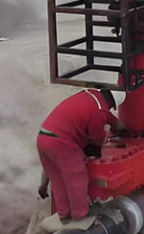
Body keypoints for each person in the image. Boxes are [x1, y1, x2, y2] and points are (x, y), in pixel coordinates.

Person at [36, 88, 122, 221]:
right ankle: (80, 215)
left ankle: (63, 214)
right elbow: (97, 136)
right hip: (61, 141)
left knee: (58, 179)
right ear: (112, 102)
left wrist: (118, 125)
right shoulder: (100, 110)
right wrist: (96, 151)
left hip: (43, 137)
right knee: (77, 176)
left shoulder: (91, 95)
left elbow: (106, 116)